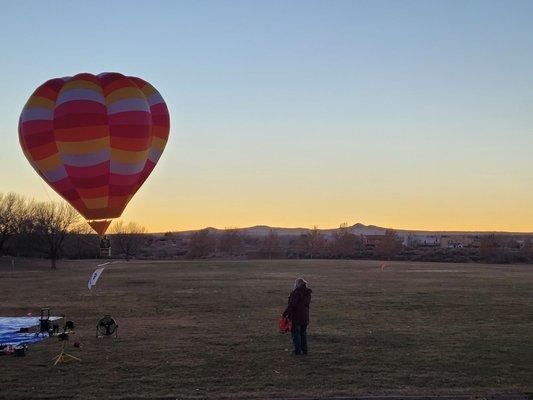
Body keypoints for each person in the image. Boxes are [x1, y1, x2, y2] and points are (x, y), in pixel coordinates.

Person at [282, 277, 312, 355]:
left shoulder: (296, 293)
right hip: (305, 316)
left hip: (296, 317)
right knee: (303, 333)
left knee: (296, 334)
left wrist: (285, 313)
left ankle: (298, 351)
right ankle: (304, 350)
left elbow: (292, 305)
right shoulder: (307, 293)